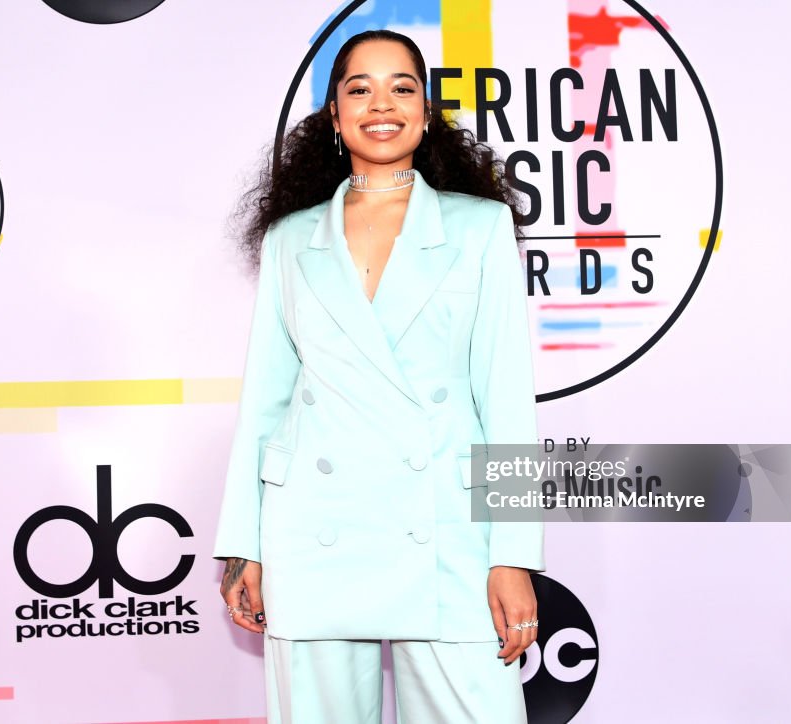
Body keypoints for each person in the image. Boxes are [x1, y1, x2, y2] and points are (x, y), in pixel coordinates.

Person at [212, 28, 544, 724]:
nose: (380, 104)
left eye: (402, 87)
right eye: (358, 89)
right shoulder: (290, 239)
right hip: (314, 529)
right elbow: (267, 402)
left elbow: (507, 403)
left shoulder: (480, 229)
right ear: (334, 115)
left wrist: (512, 554)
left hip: (447, 532)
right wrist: (245, 543)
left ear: (426, 113)